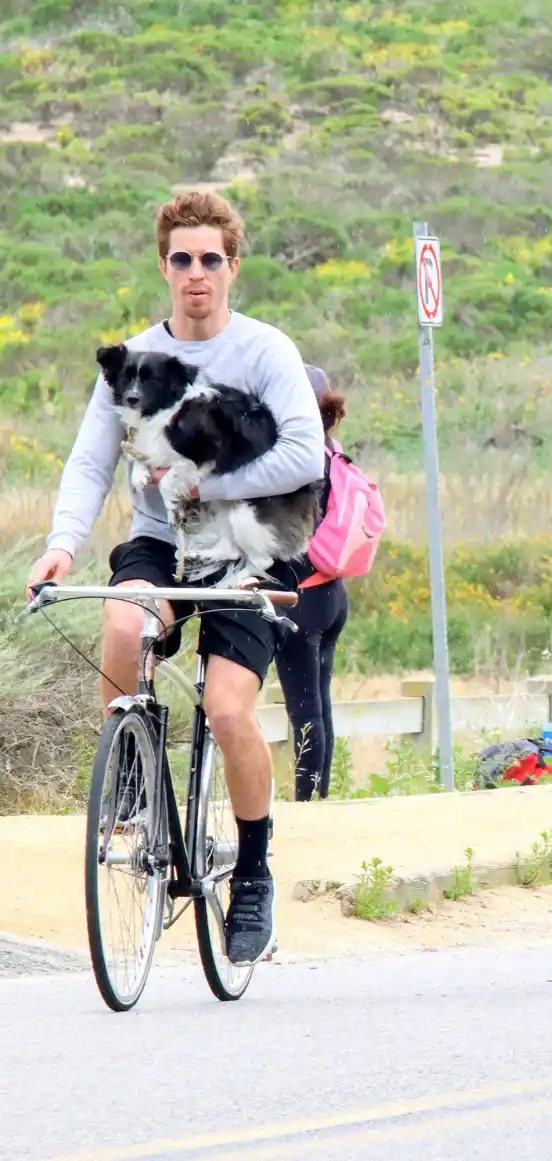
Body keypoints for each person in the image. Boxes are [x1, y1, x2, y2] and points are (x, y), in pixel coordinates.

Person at [26, 190, 326, 966]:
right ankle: (134, 776)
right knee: (125, 624)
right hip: (162, 540)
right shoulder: (132, 359)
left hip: (248, 542)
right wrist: (62, 545)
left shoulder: (265, 352)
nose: (197, 274)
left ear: (233, 266)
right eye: (183, 260)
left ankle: (252, 871)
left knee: (228, 710)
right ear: (164, 266)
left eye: (212, 260)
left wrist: (205, 487)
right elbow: (93, 461)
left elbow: (304, 456)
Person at [275, 364, 350, 801]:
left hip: (302, 596)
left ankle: (307, 804)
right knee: (319, 704)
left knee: (304, 710)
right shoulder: (332, 450)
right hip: (332, 593)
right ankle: (318, 797)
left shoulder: (300, 461)